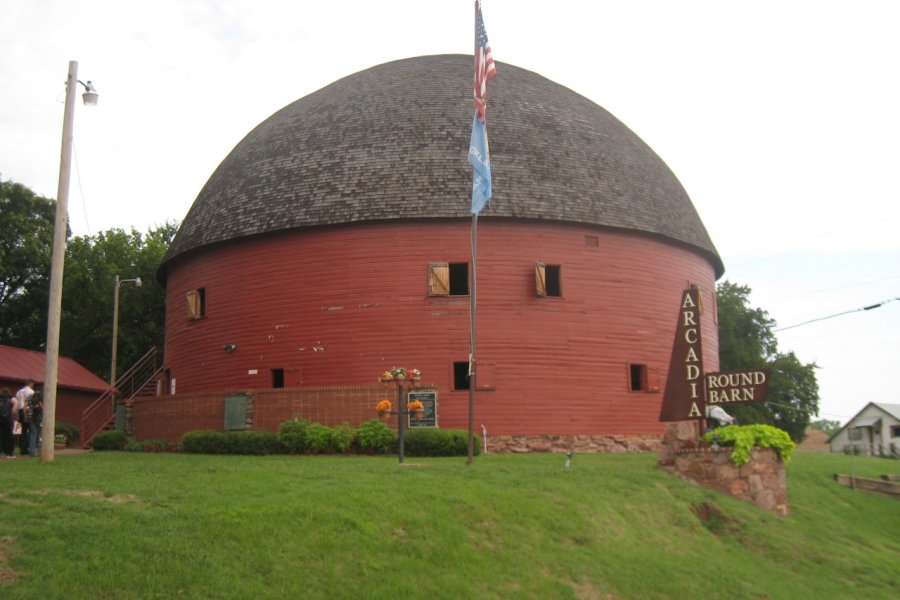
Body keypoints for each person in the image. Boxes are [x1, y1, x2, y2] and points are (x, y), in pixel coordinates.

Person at [15, 379, 35, 456]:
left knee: (23, 430)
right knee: (30, 430)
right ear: (31, 384)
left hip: (20, 411)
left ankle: (22, 449)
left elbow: (17, 403)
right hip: (28, 411)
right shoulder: (31, 392)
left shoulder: (19, 392)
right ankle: (28, 448)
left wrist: (16, 413)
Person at [26, 387, 43, 457]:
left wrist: (26, 416)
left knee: (32, 434)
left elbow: (26, 407)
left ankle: (32, 451)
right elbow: (40, 409)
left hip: (31, 418)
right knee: (38, 435)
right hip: (37, 419)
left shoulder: (30, 398)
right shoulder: (37, 401)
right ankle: (36, 452)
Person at [0, 387, 15, 459]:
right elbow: (15, 405)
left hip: (0, 419)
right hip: (8, 419)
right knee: (9, 435)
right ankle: (9, 452)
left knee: (1, 435)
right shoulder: (11, 400)